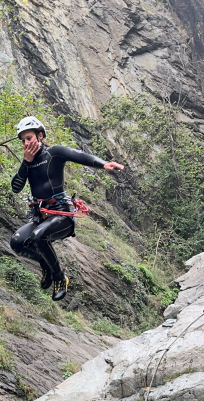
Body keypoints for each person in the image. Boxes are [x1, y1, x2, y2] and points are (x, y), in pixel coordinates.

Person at [10, 116, 124, 301]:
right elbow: (16, 187)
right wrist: (26, 162)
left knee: (38, 236)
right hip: (41, 217)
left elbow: (77, 155)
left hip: (61, 215)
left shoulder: (54, 153)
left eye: (29, 138)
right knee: (16, 242)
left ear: (40, 136)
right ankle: (45, 264)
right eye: (23, 141)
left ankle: (59, 278)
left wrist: (103, 164)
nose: (26, 143)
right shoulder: (28, 163)